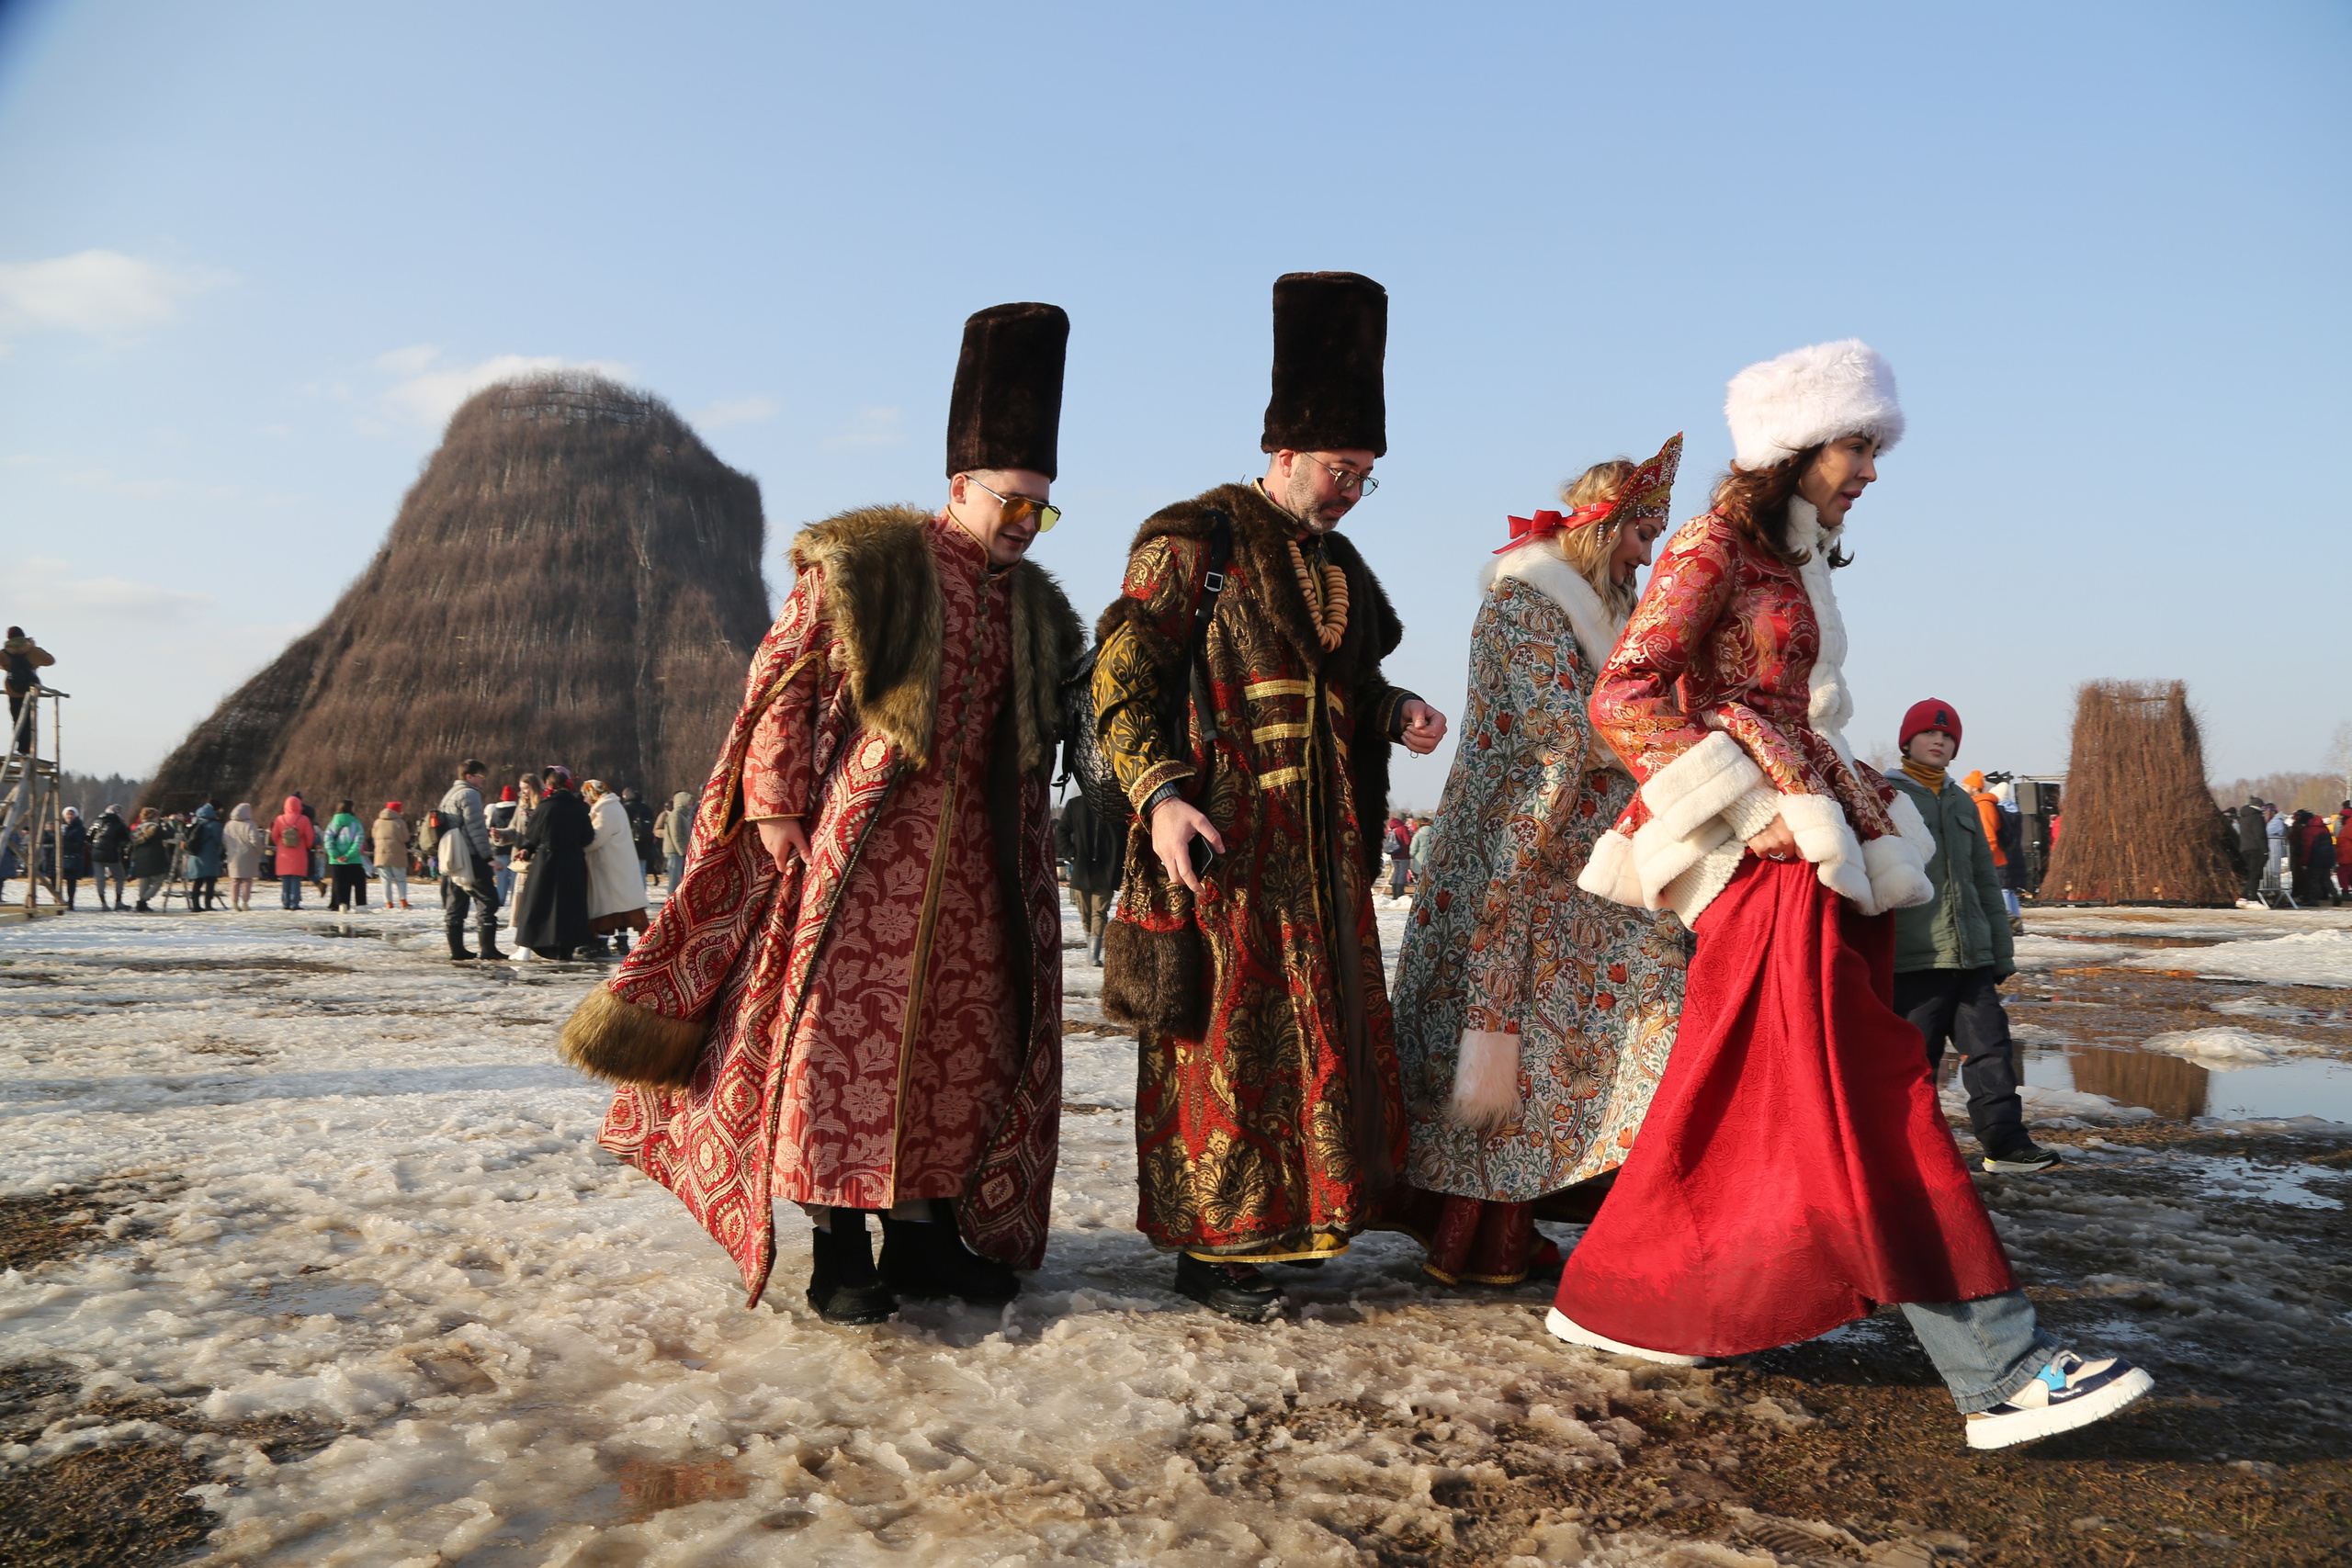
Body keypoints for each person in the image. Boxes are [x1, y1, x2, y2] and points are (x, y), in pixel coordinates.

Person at [1550, 341, 2150, 1450]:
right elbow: (1624, 694)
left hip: (1819, 855)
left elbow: (1779, 704)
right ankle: (2000, 1365)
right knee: (1871, 1091)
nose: (1871, 467)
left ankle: (1620, 1294)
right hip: (1771, 864)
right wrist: (1749, 816)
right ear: (1791, 446)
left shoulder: (1790, 560)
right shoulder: (1710, 544)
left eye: (1873, 445)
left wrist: (1838, 786)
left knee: (1748, 1098)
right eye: (1857, 443)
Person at [560, 302, 1081, 1325]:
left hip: (979, 862)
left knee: (958, 1046)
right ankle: (839, 1248)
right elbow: (785, 680)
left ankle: (926, 1239)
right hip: (858, 849)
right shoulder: (870, 562)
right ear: (959, 487)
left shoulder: (1033, 606)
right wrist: (773, 805)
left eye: (1041, 512)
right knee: (838, 1046)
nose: (1023, 525)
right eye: (1011, 504)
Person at [1093, 273, 1446, 1319]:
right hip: (1220, 839)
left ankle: (1292, 1224)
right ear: (1283, 453)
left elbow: (1346, 686)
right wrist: (1158, 796)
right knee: (1224, 1047)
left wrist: (1395, 711)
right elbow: (1121, 675)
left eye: (1366, 477)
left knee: (1306, 1044)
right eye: (1340, 469)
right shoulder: (1193, 539)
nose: (1349, 491)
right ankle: (1214, 1249)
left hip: (1320, 852)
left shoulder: (1338, 565)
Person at [1386, 436, 1690, 1288]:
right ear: (1604, 527)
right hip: (1519, 854)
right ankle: (1480, 1237)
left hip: (1579, 863)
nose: (1647, 553)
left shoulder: (1598, 611)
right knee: (1518, 1042)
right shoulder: (1526, 602)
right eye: (1639, 534)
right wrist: (1666, 749)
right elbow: (1555, 729)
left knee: (1564, 1045)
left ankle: (1505, 1236)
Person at [1887, 703, 2060, 1174]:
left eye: (1947, 737)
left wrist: (1999, 951)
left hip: (1971, 956)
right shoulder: (1885, 796)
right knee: (1913, 1063)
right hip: (1914, 957)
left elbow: (1986, 881)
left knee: (1991, 1052)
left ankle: (2005, 1147)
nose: (1938, 742)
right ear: (1907, 741)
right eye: (1927, 734)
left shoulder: (1964, 802)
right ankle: (1906, 1151)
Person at [513, 765, 592, 959]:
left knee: (542, 903)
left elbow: (532, 835)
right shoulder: (580, 807)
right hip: (572, 862)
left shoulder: (544, 807)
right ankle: (566, 946)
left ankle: (540, 942)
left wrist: (527, 849)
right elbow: (588, 837)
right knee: (569, 904)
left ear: (550, 786)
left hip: (546, 862)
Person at [436, 760, 504, 960]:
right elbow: (475, 829)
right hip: (470, 857)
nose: (483, 781)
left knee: (456, 903)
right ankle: (488, 949)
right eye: (480, 776)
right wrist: (487, 858)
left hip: (453, 857)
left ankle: (457, 951)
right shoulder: (470, 794)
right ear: (469, 776)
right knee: (488, 901)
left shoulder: (450, 794)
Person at [581, 779, 650, 956]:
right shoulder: (614, 806)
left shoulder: (606, 809)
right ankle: (621, 942)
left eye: (585, 796)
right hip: (619, 862)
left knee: (608, 906)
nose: (585, 800)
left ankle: (602, 944)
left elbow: (598, 838)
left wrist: (580, 846)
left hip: (609, 863)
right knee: (621, 907)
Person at [1054, 791, 1123, 967]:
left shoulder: (1116, 805)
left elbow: (1127, 838)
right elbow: (1061, 832)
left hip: (1107, 870)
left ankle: (1093, 956)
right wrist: (1071, 855)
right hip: (1082, 868)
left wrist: (1120, 863)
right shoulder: (1076, 804)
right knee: (1084, 913)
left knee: (1099, 912)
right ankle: (1091, 945)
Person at [4, 626, 53, 754]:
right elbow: (50, 661)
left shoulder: (4, 653)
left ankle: (20, 747)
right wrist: (33, 647)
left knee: (17, 719)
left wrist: (8, 666)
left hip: (13, 691)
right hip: (31, 691)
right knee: (30, 721)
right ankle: (27, 750)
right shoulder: (32, 651)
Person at [130, 806, 176, 912]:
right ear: (153, 817)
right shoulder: (154, 828)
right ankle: (143, 901)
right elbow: (170, 834)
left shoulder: (137, 828)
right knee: (158, 881)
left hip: (140, 857)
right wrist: (167, 824)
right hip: (154, 857)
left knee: (144, 881)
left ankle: (142, 903)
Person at [181, 802, 224, 911]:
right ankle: (208, 904)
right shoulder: (215, 824)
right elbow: (218, 840)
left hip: (195, 854)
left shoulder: (196, 820)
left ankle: (195, 905)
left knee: (198, 881)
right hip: (209, 855)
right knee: (210, 880)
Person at [221, 803, 264, 910]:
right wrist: (259, 851)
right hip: (248, 855)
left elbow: (224, 840)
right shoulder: (250, 824)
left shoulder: (228, 825)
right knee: (247, 880)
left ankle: (234, 903)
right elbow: (255, 840)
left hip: (233, 855)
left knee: (235, 881)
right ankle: (245, 902)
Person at [89, 804, 130, 910]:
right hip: (111, 853)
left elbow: (88, 837)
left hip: (95, 853)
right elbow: (126, 839)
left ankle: (103, 903)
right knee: (120, 877)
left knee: (100, 879)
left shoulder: (97, 821)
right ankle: (118, 902)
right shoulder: (118, 823)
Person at [373, 802, 413, 909]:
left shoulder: (377, 822)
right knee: (400, 879)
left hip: (381, 855)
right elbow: (406, 838)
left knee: (386, 880)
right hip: (397, 854)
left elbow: (373, 836)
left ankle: (388, 903)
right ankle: (403, 901)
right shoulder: (400, 822)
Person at [621, 785, 658, 886]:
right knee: (642, 870)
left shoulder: (625, 808)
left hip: (629, 843)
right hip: (645, 843)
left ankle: (631, 894)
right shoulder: (647, 808)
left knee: (628, 871)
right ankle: (642, 893)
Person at [2233, 797, 2268, 903]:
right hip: (2256, 849)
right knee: (2255, 874)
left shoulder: (2244, 817)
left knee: (2252, 874)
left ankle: (2243, 898)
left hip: (2245, 848)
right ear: (2259, 805)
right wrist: (2265, 850)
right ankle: (2252, 899)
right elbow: (2260, 835)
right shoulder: (2257, 817)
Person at [487, 786, 518, 903]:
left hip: (499, 849)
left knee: (501, 878)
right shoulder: (517, 810)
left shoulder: (495, 812)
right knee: (515, 877)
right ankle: (515, 900)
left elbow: (491, 828)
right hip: (514, 849)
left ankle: (500, 899)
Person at [659, 788, 693, 890]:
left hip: (679, 852)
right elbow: (675, 835)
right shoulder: (675, 816)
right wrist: (682, 851)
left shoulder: (683, 816)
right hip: (674, 852)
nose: (690, 806)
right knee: (674, 879)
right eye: (689, 803)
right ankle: (671, 900)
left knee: (678, 878)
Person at [56, 806, 88, 910]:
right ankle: (58, 900)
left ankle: (71, 902)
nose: (69, 817)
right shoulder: (60, 827)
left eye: (71, 815)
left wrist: (65, 845)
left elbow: (79, 842)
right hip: (59, 857)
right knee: (56, 880)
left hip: (73, 857)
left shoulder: (79, 828)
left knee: (71, 881)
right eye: (68, 815)